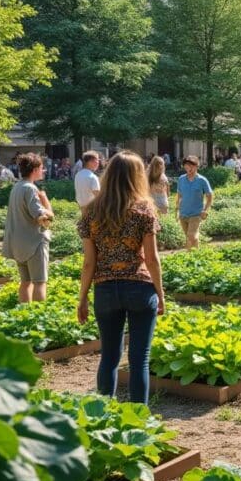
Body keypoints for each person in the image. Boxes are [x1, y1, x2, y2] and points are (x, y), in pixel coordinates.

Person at [78, 151, 165, 406]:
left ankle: (103, 420)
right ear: (137, 176)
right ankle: (139, 423)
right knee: (139, 360)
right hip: (139, 288)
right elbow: (151, 259)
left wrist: (82, 298)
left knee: (109, 357)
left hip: (105, 290)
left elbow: (88, 262)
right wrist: (160, 293)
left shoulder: (91, 212)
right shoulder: (144, 209)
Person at [2, 153, 54, 303]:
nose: (43, 171)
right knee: (39, 283)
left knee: (25, 282)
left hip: (18, 244)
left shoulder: (17, 187)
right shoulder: (30, 189)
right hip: (34, 243)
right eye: (42, 168)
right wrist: (45, 200)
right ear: (35, 169)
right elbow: (44, 217)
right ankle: (39, 319)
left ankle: (24, 316)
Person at [175, 155, 213, 249]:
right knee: (190, 238)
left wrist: (206, 210)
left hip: (196, 214)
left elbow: (210, 196)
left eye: (191, 165)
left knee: (191, 235)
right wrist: (177, 210)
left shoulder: (202, 180)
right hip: (183, 213)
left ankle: (189, 257)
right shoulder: (181, 179)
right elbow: (179, 195)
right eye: (186, 165)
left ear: (196, 166)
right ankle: (195, 256)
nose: (189, 168)